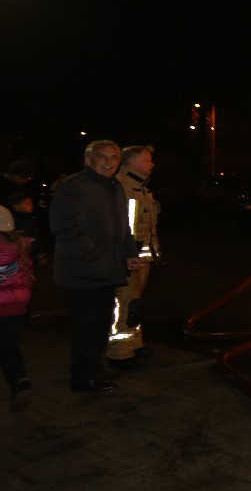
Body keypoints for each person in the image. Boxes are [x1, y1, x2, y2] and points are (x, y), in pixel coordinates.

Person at [49, 140, 140, 393]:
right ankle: (83, 377)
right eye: (102, 157)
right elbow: (65, 226)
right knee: (86, 328)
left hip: (107, 271)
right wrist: (92, 255)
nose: (109, 162)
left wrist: (129, 253)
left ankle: (95, 367)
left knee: (100, 325)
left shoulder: (115, 186)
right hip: (82, 273)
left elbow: (123, 226)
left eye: (114, 157)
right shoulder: (74, 186)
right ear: (88, 160)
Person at [107, 145, 161, 370]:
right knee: (124, 304)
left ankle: (134, 344)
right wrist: (126, 255)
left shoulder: (141, 187)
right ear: (132, 162)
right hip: (128, 259)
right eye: (147, 160)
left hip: (141, 259)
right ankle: (119, 353)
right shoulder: (122, 186)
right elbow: (122, 227)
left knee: (135, 303)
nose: (152, 164)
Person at [0, 206, 34, 412]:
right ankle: (20, 380)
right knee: (9, 347)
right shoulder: (19, 246)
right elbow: (28, 276)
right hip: (16, 307)